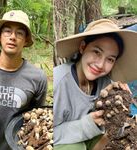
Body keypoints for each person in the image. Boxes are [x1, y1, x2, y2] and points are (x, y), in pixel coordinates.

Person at [53, 19, 137, 150]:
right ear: (82, 47)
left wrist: (118, 102)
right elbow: (48, 132)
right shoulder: (58, 82)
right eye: (97, 52)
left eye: (110, 59)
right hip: (58, 142)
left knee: (107, 135)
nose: (100, 65)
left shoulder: (105, 83)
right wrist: (87, 123)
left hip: (86, 138)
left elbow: (114, 130)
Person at [0, 10, 48, 150]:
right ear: (0, 37)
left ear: (25, 41)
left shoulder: (38, 77)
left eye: (19, 33)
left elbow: (37, 119)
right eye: (7, 31)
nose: (12, 37)